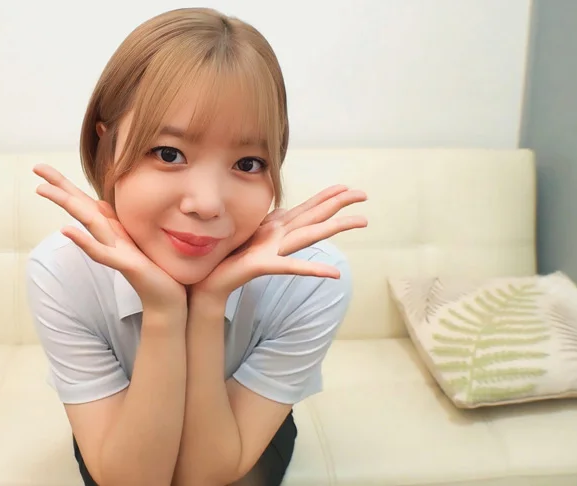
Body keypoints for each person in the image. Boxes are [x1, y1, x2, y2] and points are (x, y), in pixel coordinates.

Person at [26, 7, 367, 486]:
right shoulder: (64, 270)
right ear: (107, 149)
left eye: (248, 163)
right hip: (124, 428)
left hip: (242, 430)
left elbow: (207, 475)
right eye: (169, 154)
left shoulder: (311, 278)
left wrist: (207, 306)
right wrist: (164, 311)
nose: (206, 203)